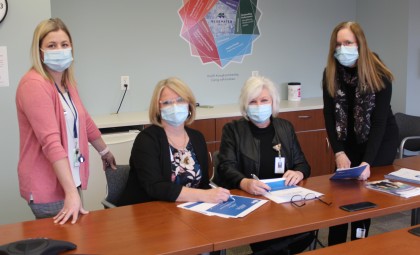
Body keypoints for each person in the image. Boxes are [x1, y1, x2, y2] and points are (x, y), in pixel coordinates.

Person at [16, 18, 116, 224]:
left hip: (70, 179)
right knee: (64, 244)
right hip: (49, 185)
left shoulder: (65, 82)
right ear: (40, 51)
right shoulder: (33, 84)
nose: (59, 50)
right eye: (51, 45)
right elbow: (51, 142)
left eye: (64, 44)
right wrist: (71, 193)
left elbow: (84, 119)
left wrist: (104, 151)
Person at [216, 76, 314, 255]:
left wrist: (299, 172)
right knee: (274, 241)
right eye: (253, 101)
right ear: (245, 105)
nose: (259, 105)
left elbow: (303, 164)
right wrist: (244, 182)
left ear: (273, 103)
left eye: (264, 100)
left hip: (284, 202)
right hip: (252, 204)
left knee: (307, 231)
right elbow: (225, 167)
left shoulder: (285, 127)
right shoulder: (233, 130)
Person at [322, 21, 399, 245]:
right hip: (348, 139)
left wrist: (366, 162)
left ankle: (359, 243)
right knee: (340, 194)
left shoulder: (379, 74)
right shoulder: (331, 73)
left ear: (360, 44)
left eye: (348, 42)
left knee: (362, 196)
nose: (342, 48)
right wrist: (338, 152)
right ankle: (335, 246)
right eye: (338, 44)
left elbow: (379, 123)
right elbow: (329, 115)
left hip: (378, 141)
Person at [117, 77, 231, 205]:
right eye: (167, 103)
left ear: (190, 105)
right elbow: (155, 187)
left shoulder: (197, 138)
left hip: (189, 211)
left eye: (181, 100)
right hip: (149, 211)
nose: (175, 106)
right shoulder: (146, 140)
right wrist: (203, 195)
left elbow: (203, 183)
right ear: (158, 108)